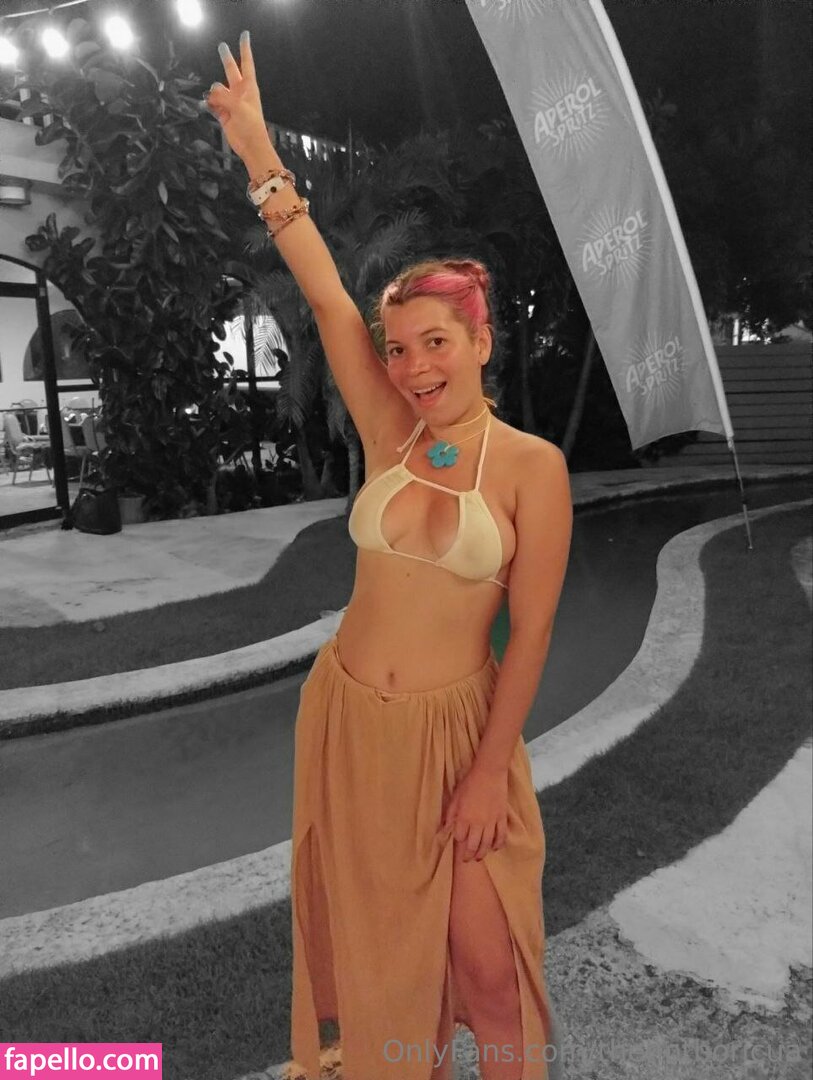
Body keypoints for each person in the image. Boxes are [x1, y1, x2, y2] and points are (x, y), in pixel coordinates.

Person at [206, 31, 572, 1080]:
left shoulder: (531, 468)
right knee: (382, 964)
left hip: (455, 738)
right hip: (349, 722)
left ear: (482, 342)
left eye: (435, 343)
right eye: (400, 347)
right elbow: (328, 298)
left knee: (488, 972)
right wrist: (258, 152)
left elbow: (531, 632)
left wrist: (488, 771)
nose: (412, 367)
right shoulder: (390, 433)